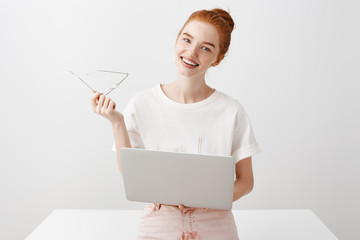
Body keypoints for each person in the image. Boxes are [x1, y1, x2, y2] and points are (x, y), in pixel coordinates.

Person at [90, 8, 261, 240]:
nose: (192, 52)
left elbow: (245, 182)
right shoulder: (142, 103)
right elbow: (131, 174)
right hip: (159, 221)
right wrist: (117, 122)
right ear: (177, 40)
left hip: (215, 222)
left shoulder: (231, 111)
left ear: (218, 59)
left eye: (206, 48)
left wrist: (206, 198)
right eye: (187, 39)